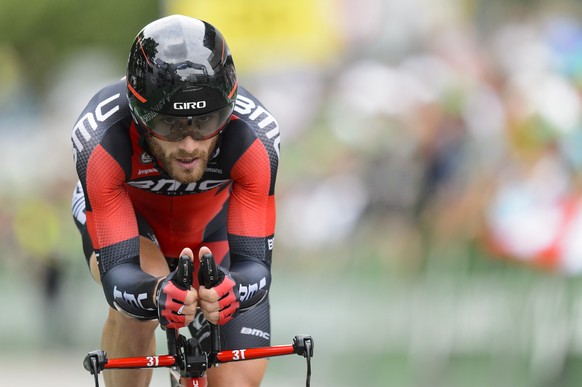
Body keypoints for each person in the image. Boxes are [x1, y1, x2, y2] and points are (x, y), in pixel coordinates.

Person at [70, 14, 279, 387]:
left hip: (212, 230)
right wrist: (153, 294)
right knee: (141, 307)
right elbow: (119, 275)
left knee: (234, 382)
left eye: (206, 122)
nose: (188, 144)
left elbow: (255, 267)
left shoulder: (255, 137)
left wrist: (232, 289)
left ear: (228, 111)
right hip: (132, 225)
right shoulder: (102, 138)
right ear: (138, 114)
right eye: (169, 125)